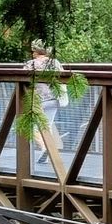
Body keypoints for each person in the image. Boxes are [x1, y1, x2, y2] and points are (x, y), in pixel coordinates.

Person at [24, 40, 65, 169]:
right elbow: (63, 76)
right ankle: (48, 153)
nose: (32, 53)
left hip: (37, 99)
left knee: (32, 127)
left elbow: (21, 78)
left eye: (33, 51)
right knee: (47, 125)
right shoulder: (55, 63)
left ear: (36, 52)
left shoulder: (31, 64)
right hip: (53, 98)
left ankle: (44, 148)